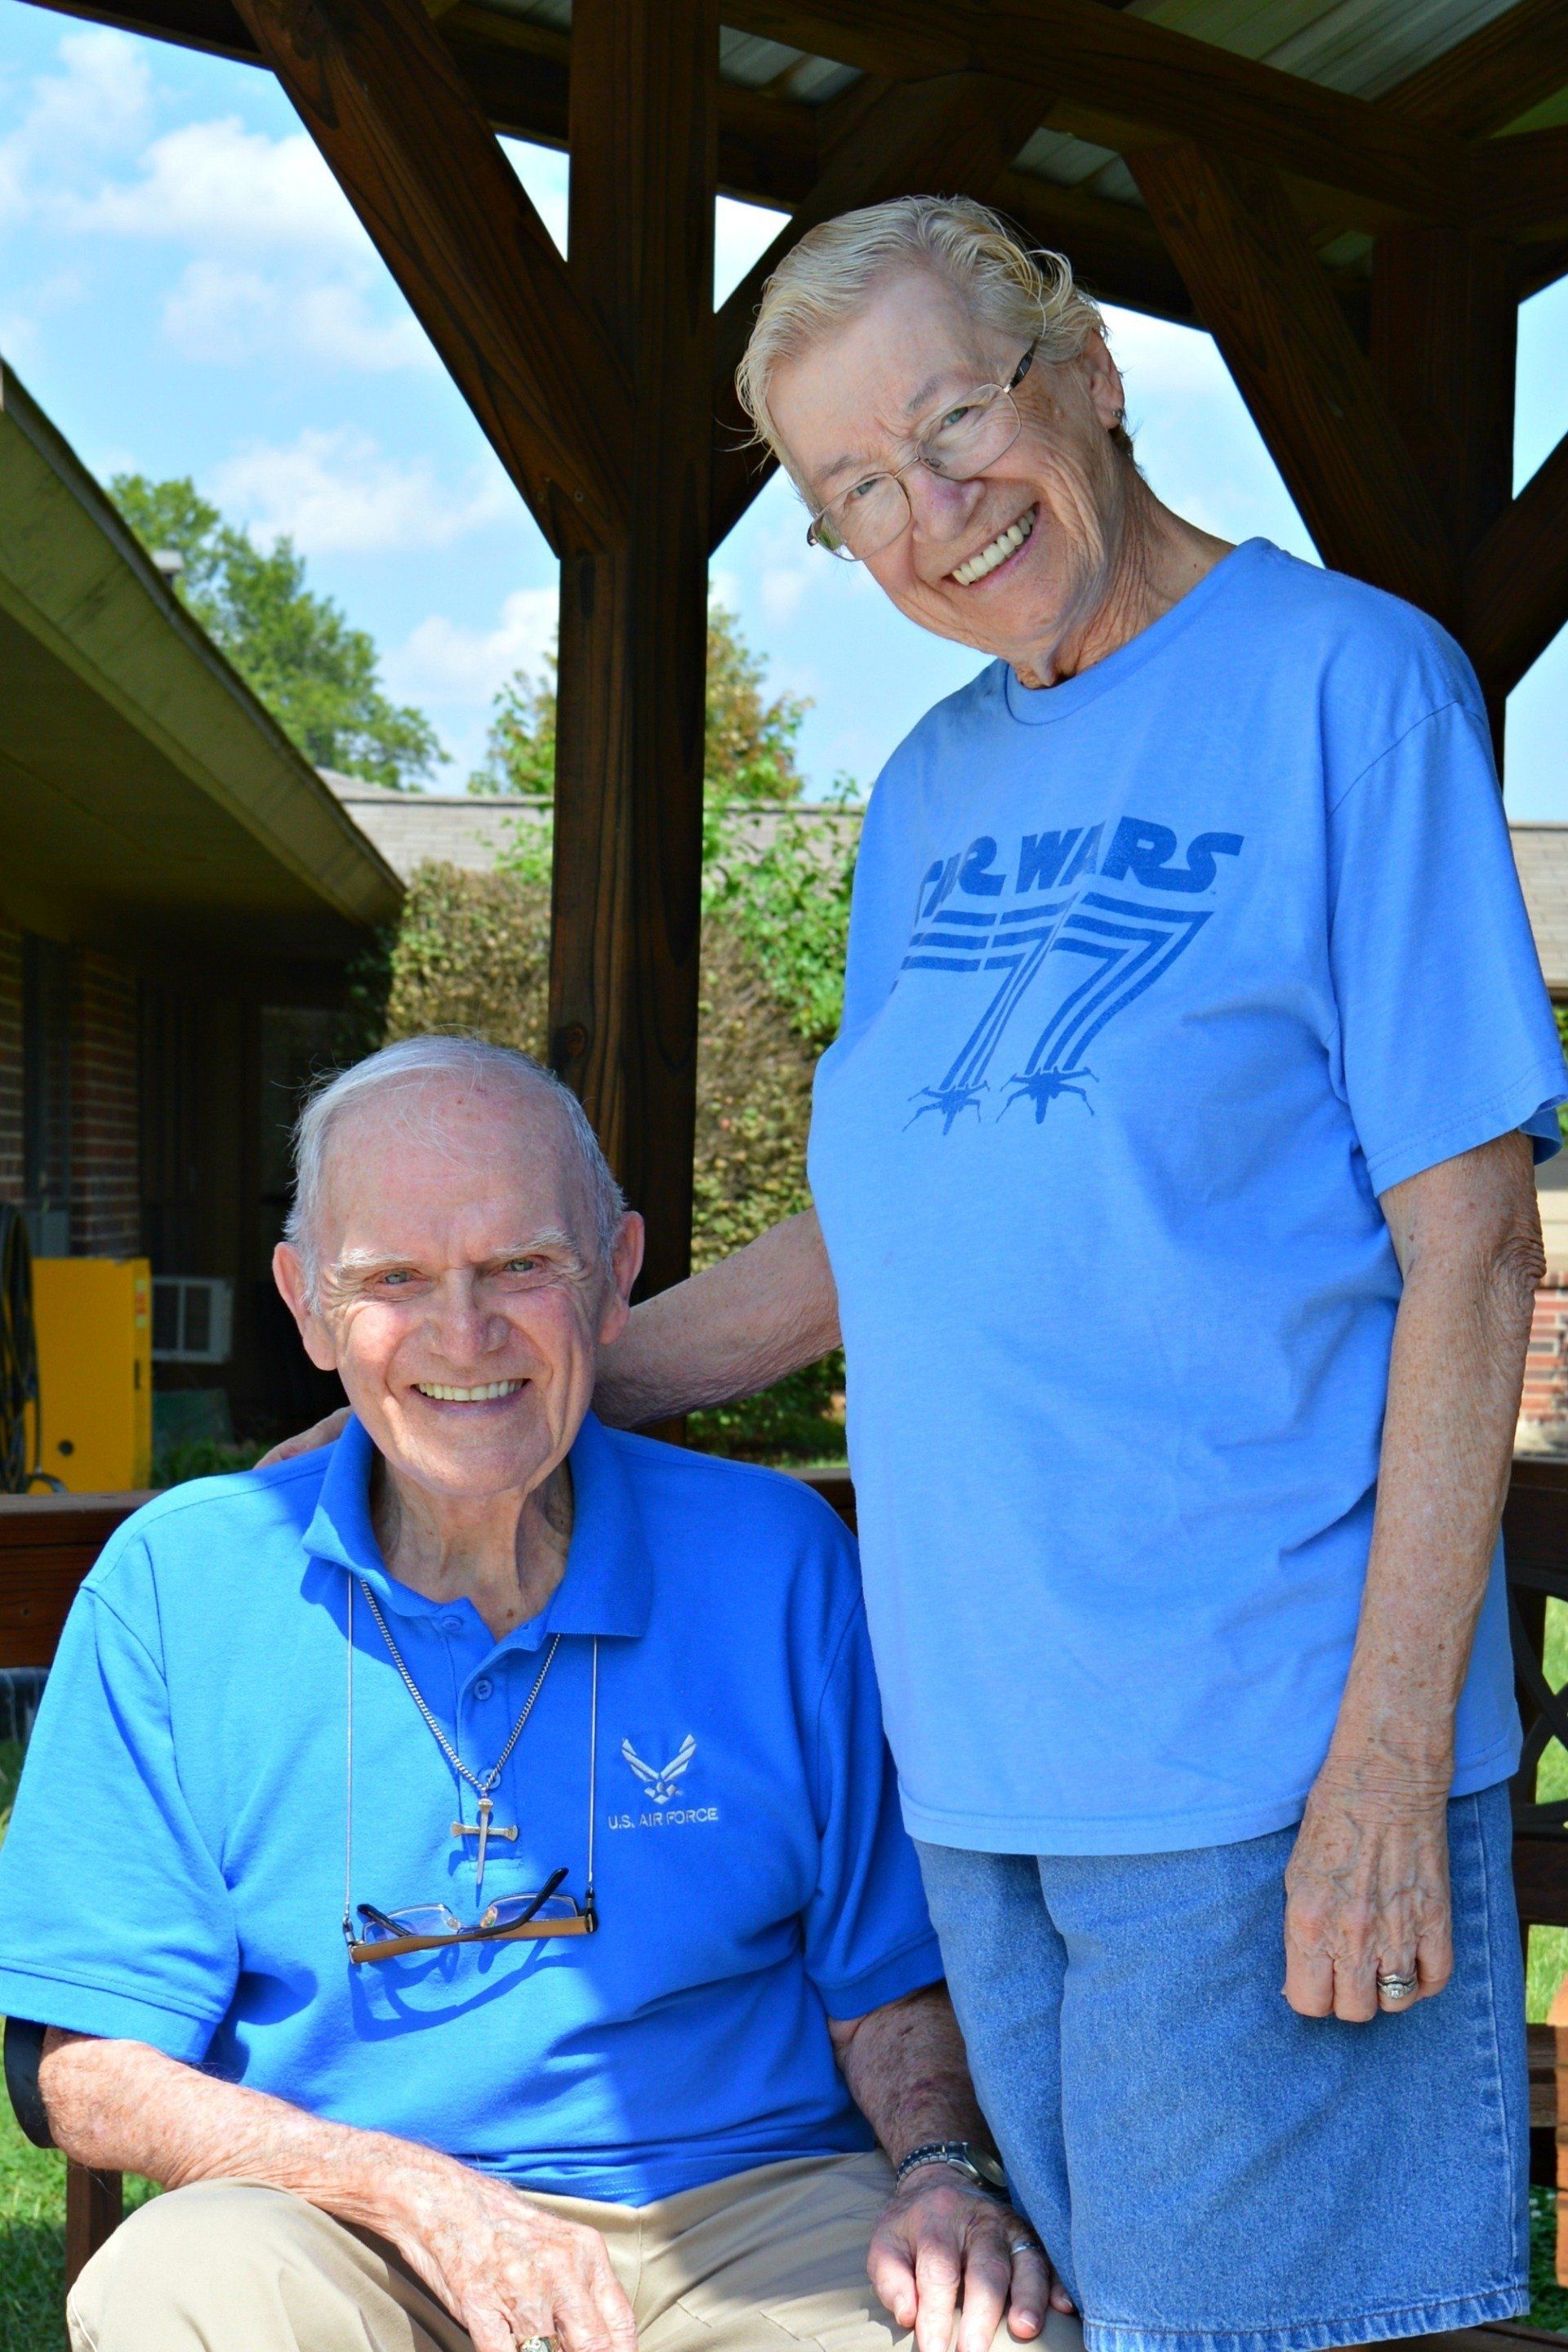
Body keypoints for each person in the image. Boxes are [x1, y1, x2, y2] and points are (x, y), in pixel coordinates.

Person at [267, 199, 1568, 2350]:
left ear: (1091, 375)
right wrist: (482, 1379)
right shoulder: (934, 792)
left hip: (1255, 1751)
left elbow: (1473, 1254)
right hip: (974, 1762)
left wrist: (1377, 1779)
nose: (928, 513)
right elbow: (877, 1243)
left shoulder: (1347, 686)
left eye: (954, 422)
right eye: (852, 488)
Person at [0, 1036, 1067, 2352]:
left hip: (753, 2210)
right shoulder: (179, 1584)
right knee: (181, 2278)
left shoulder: (776, 1561)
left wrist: (942, 2177)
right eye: (393, 1279)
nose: (463, 1334)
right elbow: (87, 2066)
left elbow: (893, 1987)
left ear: (616, 1277)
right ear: (309, 1307)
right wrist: (406, 2188)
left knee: (979, 2329)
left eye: (521, 1267)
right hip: (352, 2228)